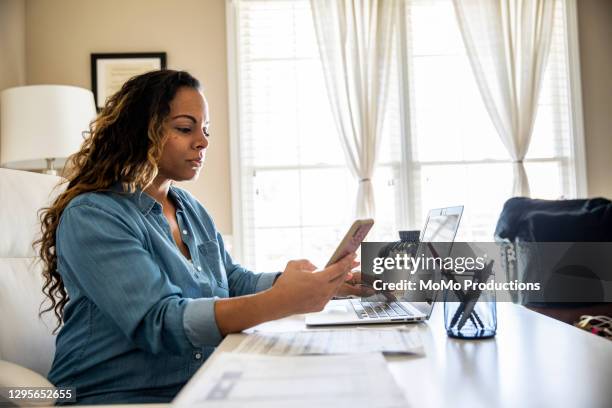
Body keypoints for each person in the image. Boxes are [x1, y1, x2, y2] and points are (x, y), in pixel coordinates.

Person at [36, 70, 367, 405]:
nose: (203, 141)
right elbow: (159, 322)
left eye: (205, 130)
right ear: (141, 132)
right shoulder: (95, 215)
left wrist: (317, 284)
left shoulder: (188, 208)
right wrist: (280, 301)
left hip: (201, 387)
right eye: (185, 128)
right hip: (114, 397)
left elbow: (232, 281)